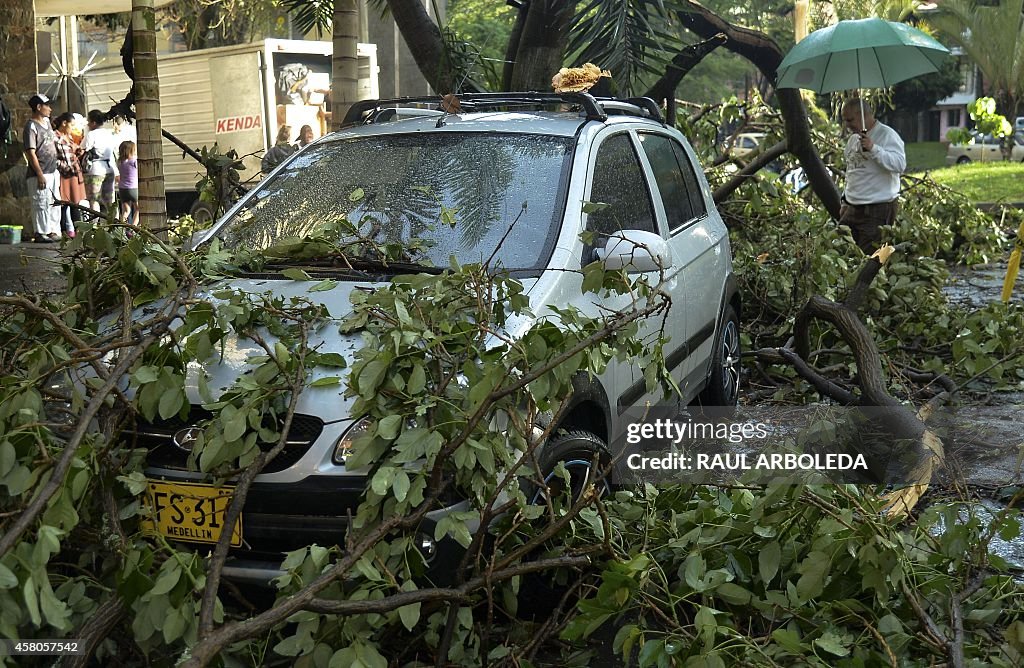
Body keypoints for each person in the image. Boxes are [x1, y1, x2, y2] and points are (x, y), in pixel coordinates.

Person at [839, 98, 906, 253]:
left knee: (867, 259)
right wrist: (844, 200)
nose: (847, 125)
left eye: (850, 120)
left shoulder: (887, 135)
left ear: (864, 116)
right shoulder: (853, 139)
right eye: (845, 120)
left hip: (877, 209)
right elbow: (852, 171)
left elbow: (899, 165)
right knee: (841, 251)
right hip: (852, 208)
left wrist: (873, 148)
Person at [22, 93, 61, 243]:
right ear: (38, 107)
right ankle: (41, 232)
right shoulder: (31, 126)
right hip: (40, 172)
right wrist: (39, 174)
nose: (50, 109)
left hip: (52, 170)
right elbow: (30, 152)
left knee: (53, 202)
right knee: (41, 202)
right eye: (47, 105)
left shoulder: (47, 123)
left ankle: (52, 230)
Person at [53, 112, 86, 238]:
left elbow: (73, 151)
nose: (72, 128)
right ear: (64, 123)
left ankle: (78, 233)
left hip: (74, 173)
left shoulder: (69, 137)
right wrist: (65, 167)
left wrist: (79, 151)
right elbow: (53, 157)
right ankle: (63, 231)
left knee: (75, 203)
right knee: (63, 203)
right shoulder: (55, 137)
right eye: (71, 125)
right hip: (64, 174)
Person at [82, 109, 120, 214]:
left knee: (94, 200)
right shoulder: (109, 134)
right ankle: (115, 224)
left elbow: (84, 148)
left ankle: (94, 226)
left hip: (95, 169)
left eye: (89, 121)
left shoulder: (91, 134)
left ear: (93, 122)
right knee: (110, 200)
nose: (88, 124)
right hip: (109, 168)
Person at [117, 140, 139, 227]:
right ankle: (133, 228)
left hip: (122, 189)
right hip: (133, 188)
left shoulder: (120, 162)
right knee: (138, 209)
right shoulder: (134, 161)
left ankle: (123, 227)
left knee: (126, 211)